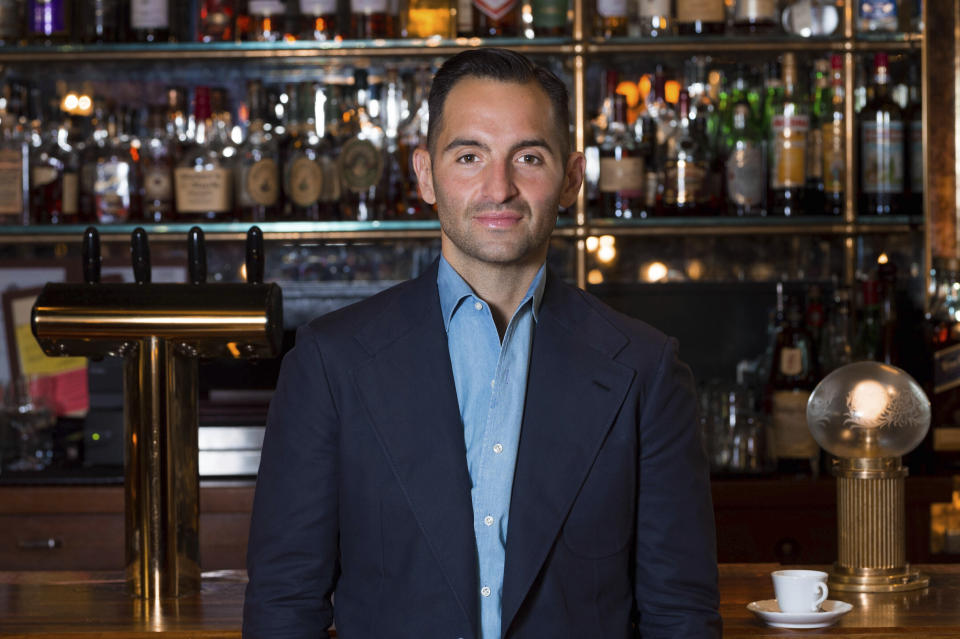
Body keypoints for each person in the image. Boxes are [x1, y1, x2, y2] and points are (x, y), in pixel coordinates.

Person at [242, 47, 721, 638]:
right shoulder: (329, 363)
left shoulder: (646, 371)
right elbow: (285, 603)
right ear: (425, 175)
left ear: (571, 179)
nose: (500, 188)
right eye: (469, 156)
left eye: (528, 157)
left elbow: (680, 616)